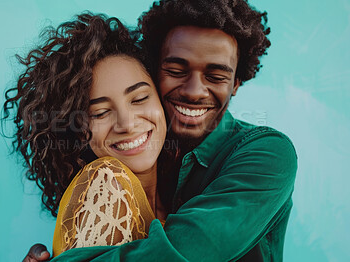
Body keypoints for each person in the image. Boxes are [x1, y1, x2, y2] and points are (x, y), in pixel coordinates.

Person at [25, 0, 298, 261]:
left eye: (216, 76)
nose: (193, 92)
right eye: (177, 70)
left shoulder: (264, 153)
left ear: (236, 83)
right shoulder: (110, 185)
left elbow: (190, 249)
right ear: (156, 74)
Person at [1, 13, 170, 261]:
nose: (126, 123)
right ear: (77, 129)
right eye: (100, 113)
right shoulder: (107, 183)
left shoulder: (184, 188)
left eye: (139, 98)